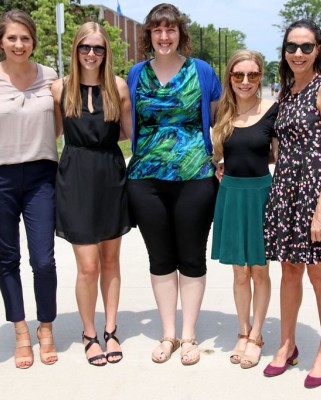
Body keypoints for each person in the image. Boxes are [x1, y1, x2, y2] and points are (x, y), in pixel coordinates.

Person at [126, 3, 221, 366]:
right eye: (157, 30)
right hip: (145, 180)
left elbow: (221, 118)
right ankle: (169, 333)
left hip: (195, 176)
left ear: (181, 34)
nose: (164, 37)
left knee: (192, 257)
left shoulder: (202, 71)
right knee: (160, 258)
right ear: (149, 35)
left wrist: (223, 158)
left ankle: (190, 334)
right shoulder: (136, 74)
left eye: (170, 30)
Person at [263, 19, 321, 388]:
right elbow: (279, 148)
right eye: (292, 46)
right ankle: (286, 344)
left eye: (306, 47)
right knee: (290, 271)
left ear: (318, 50)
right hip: (286, 190)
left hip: (316, 193)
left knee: (319, 273)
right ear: (284, 51)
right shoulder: (286, 92)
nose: (298, 53)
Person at [0, 9, 59, 369]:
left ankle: (46, 327)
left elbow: (56, 126)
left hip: (41, 176)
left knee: (43, 259)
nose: (19, 44)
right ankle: (21, 330)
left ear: (33, 41)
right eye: (12, 38)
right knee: (8, 258)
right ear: (0, 41)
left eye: (25, 38)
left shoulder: (50, 77)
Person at [51, 22, 133, 366]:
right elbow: (50, 133)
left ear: (106, 53)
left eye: (98, 48)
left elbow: (133, 134)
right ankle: (89, 333)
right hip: (76, 177)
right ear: (75, 49)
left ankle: (111, 330)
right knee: (87, 266)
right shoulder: (60, 88)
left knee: (111, 261)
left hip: (111, 175)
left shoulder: (118, 87)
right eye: (85, 47)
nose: (91, 54)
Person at [210, 50, 278, 369]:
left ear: (260, 77)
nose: (245, 82)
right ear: (230, 78)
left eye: (252, 75)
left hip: (261, 194)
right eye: (239, 76)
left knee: (260, 270)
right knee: (240, 272)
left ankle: (257, 334)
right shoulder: (222, 114)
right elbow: (218, 155)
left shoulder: (272, 111)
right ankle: (242, 330)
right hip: (232, 195)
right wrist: (217, 165)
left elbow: (278, 156)